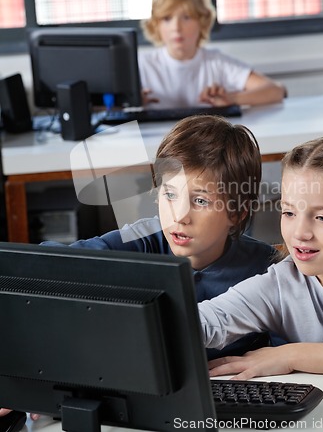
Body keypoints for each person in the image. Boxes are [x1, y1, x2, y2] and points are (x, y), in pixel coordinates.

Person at [41, 115, 280, 359]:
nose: (180, 216)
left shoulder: (267, 269)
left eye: (200, 201)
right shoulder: (142, 239)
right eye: (170, 195)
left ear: (238, 213)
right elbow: (49, 262)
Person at [199, 134, 323, 380]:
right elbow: (204, 323)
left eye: (322, 218)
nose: (299, 233)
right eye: (289, 212)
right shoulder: (279, 285)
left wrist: (290, 356)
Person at [139, 0, 286, 109]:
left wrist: (232, 98)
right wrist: (132, 103)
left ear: (202, 21)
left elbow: (276, 91)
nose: (176, 27)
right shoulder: (142, 65)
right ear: (156, 24)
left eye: (186, 17)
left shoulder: (216, 63)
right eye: (167, 18)